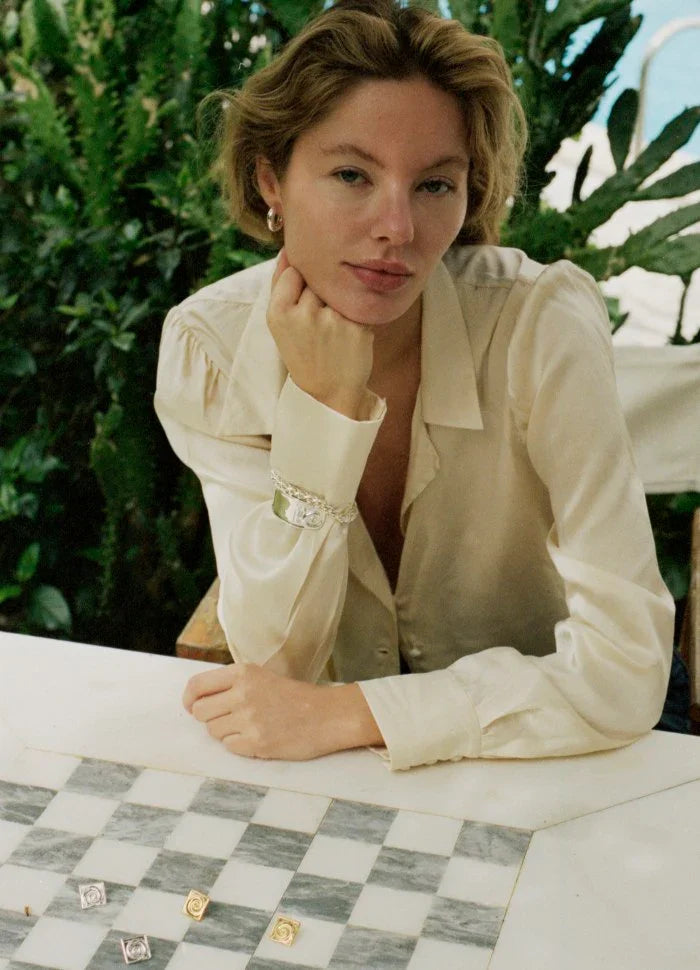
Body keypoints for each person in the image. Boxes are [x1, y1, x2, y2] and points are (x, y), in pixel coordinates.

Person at [154, 0, 674, 771]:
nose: (397, 228)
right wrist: (325, 413)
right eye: (351, 174)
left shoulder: (540, 326)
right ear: (271, 180)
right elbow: (278, 661)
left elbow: (627, 672)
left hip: (553, 757)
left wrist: (356, 713)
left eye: (433, 185)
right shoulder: (212, 350)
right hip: (336, 774)